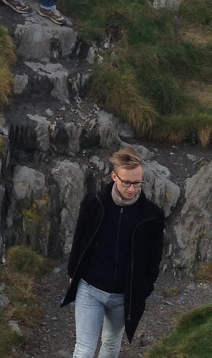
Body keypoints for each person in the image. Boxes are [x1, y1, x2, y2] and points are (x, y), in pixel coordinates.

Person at [61, 147, 165, 358]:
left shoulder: (152, 214)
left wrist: (145, 287)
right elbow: (79, 240)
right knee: (84, 349)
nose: (132, 189)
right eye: (126, 182)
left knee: (110, 343)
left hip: (123, 295)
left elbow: (155, 257)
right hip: (90, 288)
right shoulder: (94, 202)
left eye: (137, 183)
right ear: (114, 176)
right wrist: (73, 273)